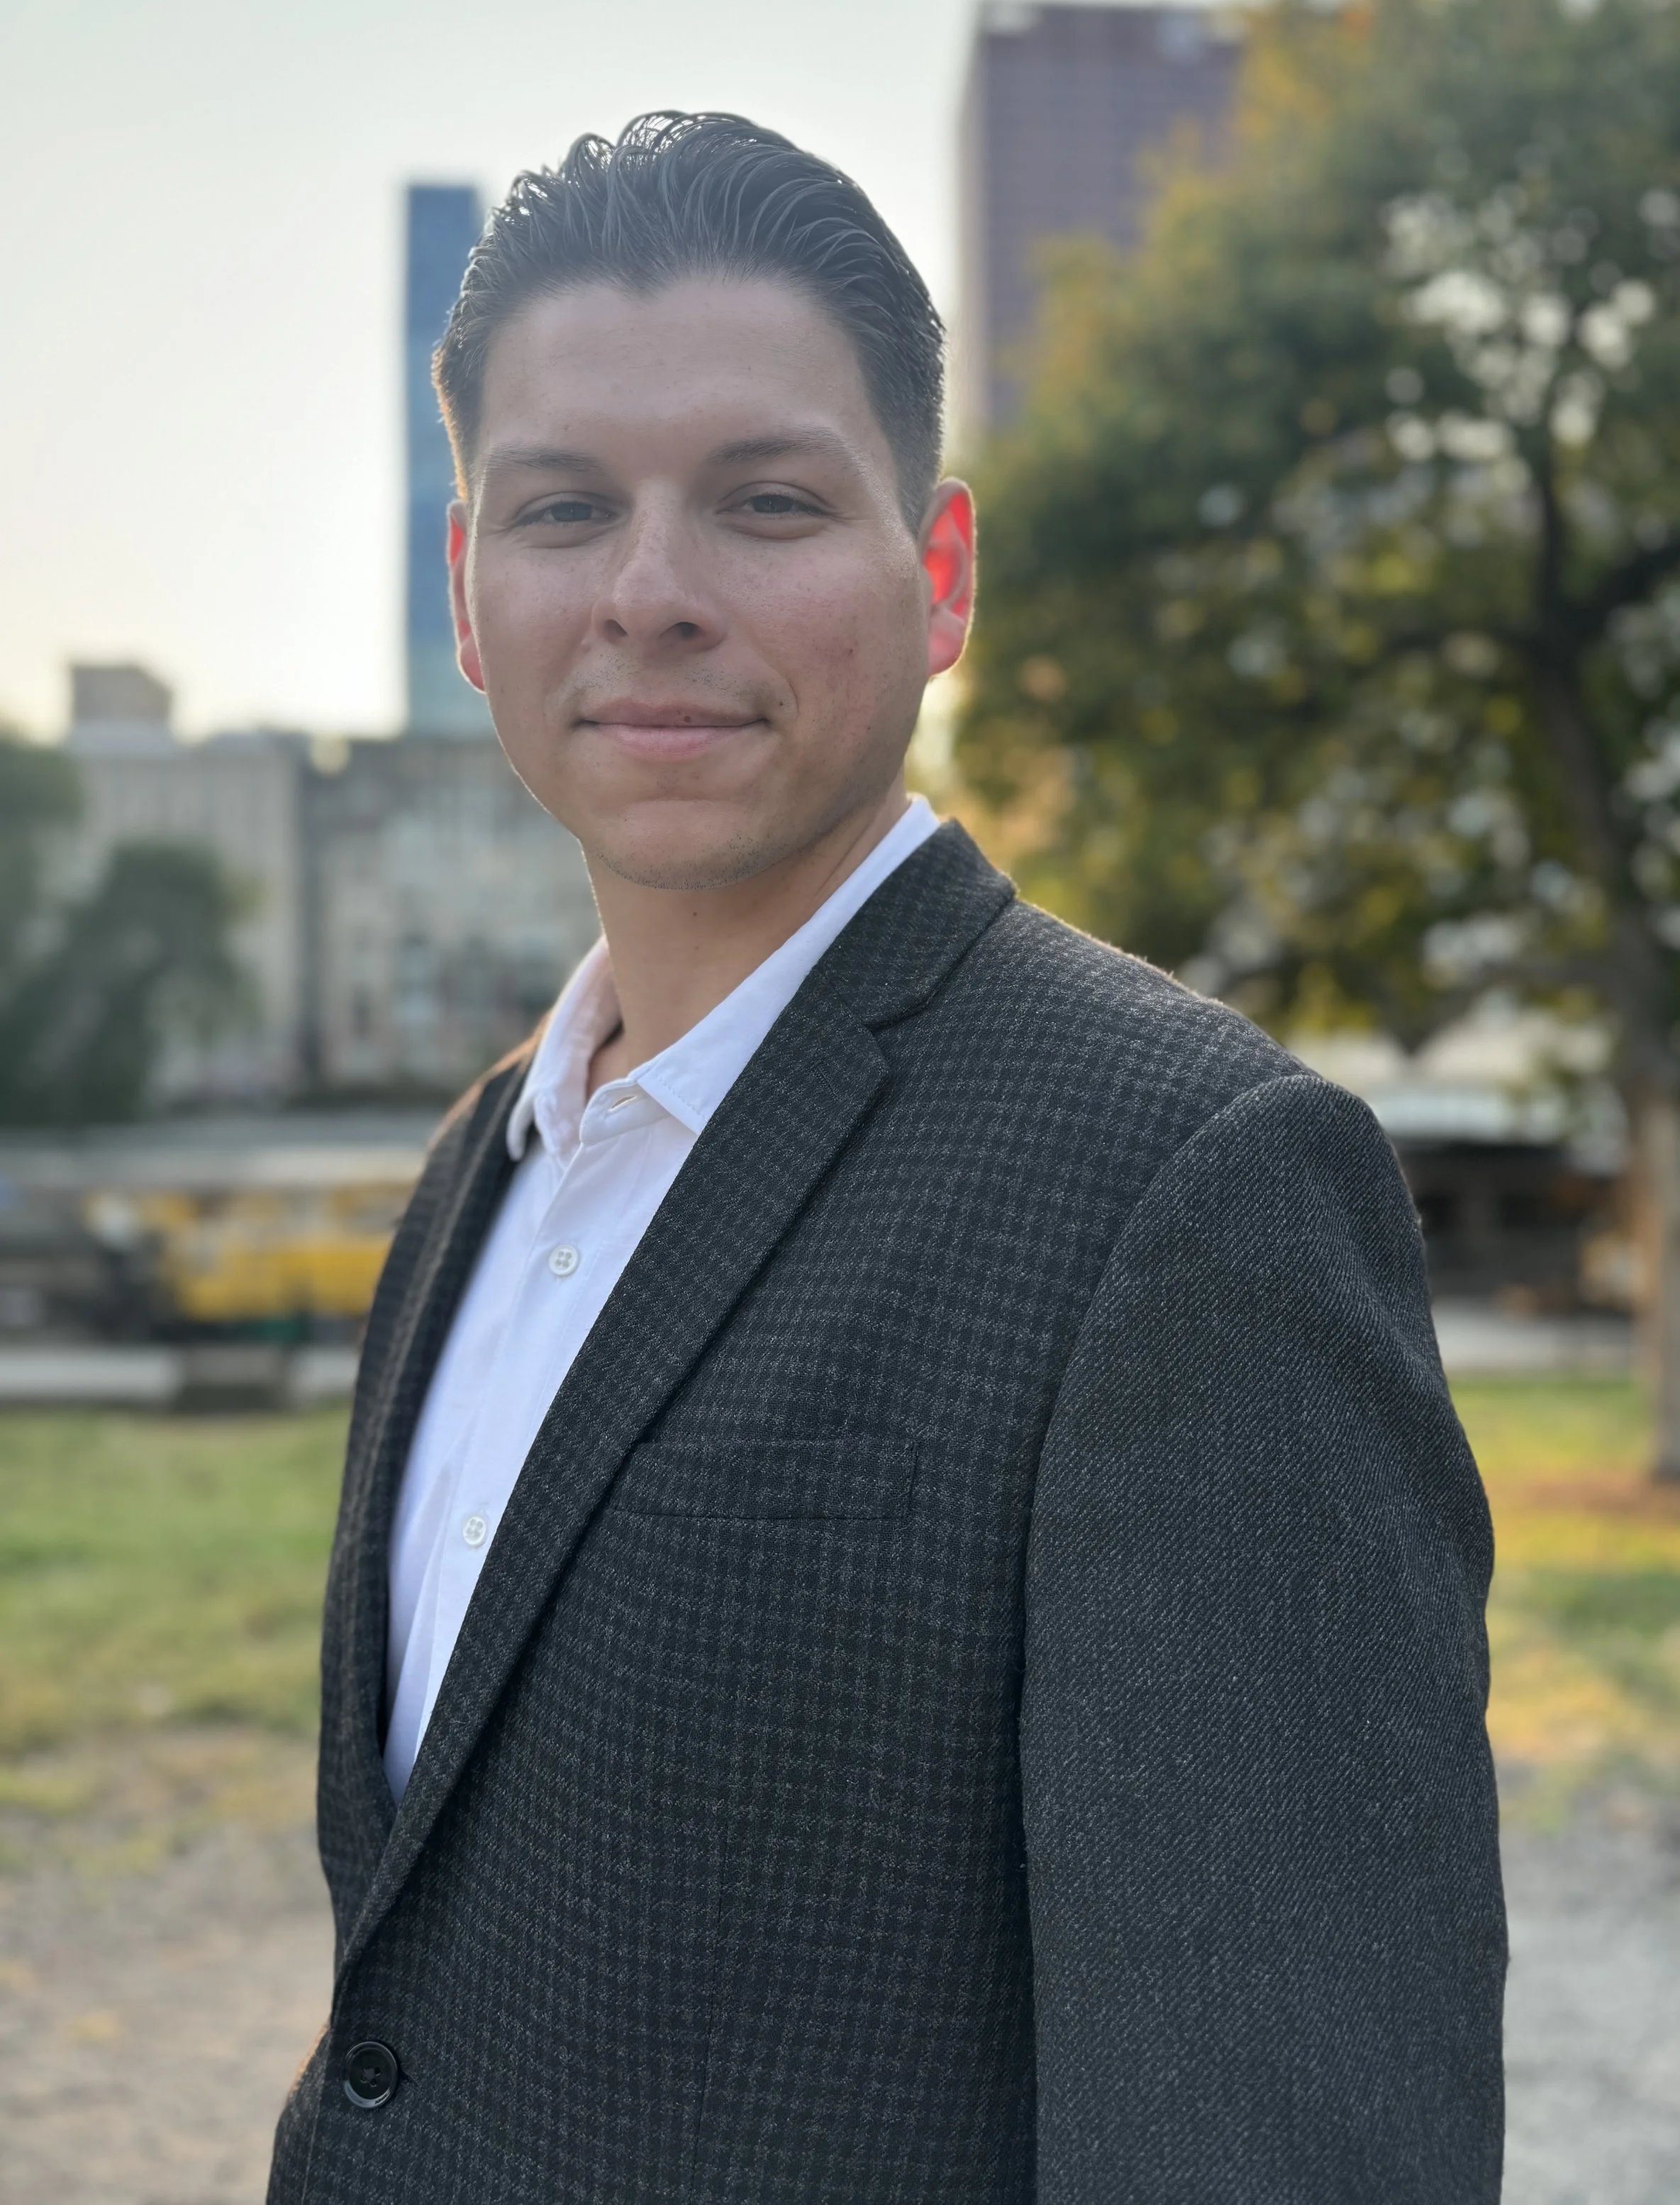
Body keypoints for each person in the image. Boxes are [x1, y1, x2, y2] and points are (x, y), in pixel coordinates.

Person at [269, 112, 1505, 2205]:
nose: (650, 594)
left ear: (938, 579)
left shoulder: (1196, 1190)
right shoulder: (489, 1155)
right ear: (468, 596)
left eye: (765, 501)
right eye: (564, 508)